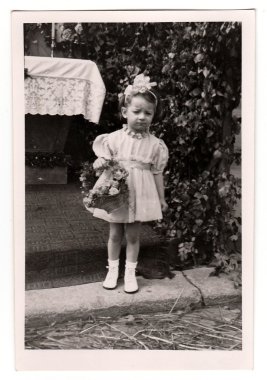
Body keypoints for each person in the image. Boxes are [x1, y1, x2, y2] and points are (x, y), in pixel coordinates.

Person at [89, 73, 169, 293]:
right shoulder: (113, 139)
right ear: (125, 112)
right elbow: (104, 161)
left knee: (133, 235)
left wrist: (161, 199)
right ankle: (112, 270)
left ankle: (131, 272)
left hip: (141, 196)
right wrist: (100, 163)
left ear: (153, 116)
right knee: (115, 233)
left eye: (148, 113)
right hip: (118, 193)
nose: (142, 117)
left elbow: (157, 173)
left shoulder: (156, 145)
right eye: (136, 111)